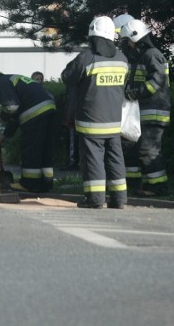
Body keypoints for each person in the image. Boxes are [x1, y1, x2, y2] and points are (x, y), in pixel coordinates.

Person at [61, 16, 129, 209]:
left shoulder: (87, 57)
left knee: (93, 159)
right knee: (116, 158)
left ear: (92, 35)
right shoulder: (122, 58)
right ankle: (119, 199)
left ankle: (95, 199)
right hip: (114, 121)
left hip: (91, 122)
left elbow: (68, 77)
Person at [0, 70, 56, 193]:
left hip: (35, 114)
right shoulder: (12, 79)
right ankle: (45, 183)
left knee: (30, 149)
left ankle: (28, 184)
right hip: (50, 111)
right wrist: (5, 136)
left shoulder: (3, 83)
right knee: (44, 150)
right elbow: (15, 116)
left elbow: (11, 108)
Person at [119, 19, 171, 196]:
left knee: (148, 150)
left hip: (154, 112)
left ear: (137, 38)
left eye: (129, 41)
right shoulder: (140, 57)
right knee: (132, 148)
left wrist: (135, 93)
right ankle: (135, 185)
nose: (127, 45)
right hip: (141, 112)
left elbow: (157, 81)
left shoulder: (152, 54)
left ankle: (158, 187)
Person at [113, 13, 142, 194]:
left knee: (129, 145)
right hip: (130, 105)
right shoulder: (130, 53)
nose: (118, 40)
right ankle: (129, 184)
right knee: (127, 146)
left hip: (132, 105)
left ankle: (130, 185)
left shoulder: (132, 54)